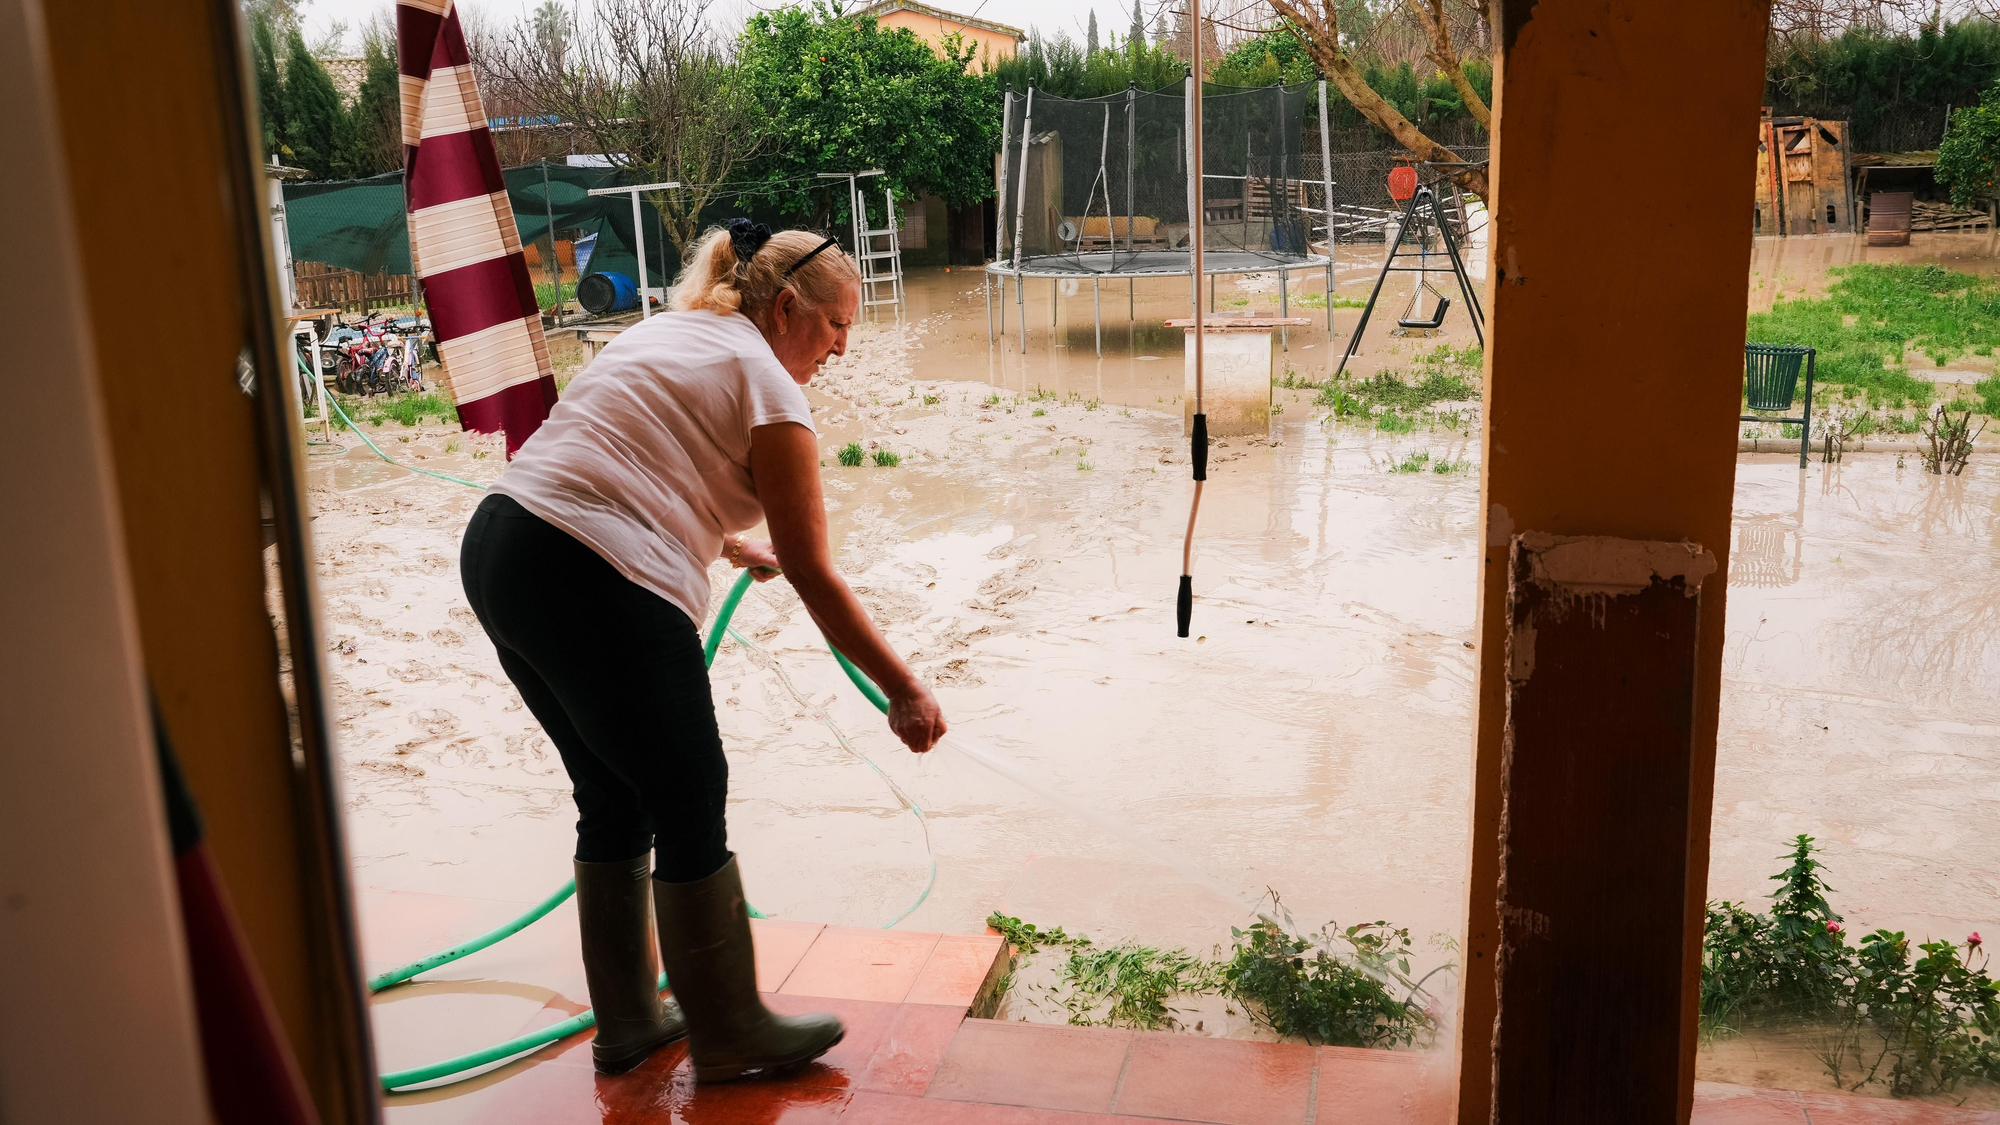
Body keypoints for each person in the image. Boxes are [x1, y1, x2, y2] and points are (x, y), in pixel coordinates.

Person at [459, 220, 948, 1081]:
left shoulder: (669, 331)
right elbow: (813, 568)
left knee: (614, 793)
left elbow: (627, 450)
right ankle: (729, 1030)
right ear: (787, 307)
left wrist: (726, 543)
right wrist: (904, 686)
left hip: (504, 548)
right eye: (837, 325)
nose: (843, 347)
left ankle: (630, 1021)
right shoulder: (770, 383)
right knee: (690, 795)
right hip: (597, 572)